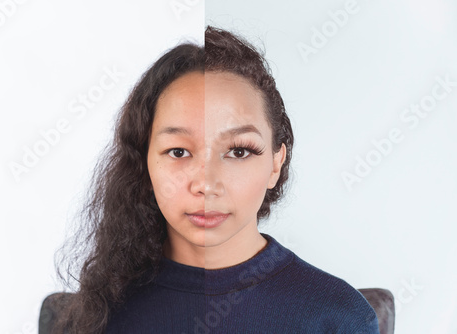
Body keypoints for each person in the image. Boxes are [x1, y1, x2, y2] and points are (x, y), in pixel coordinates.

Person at [46, 26, 380, 334]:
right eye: (178, 152)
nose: (206, 184)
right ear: (144, 163)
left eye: (238, 151)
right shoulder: (90, 318)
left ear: (276, 163)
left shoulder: (340, 317)